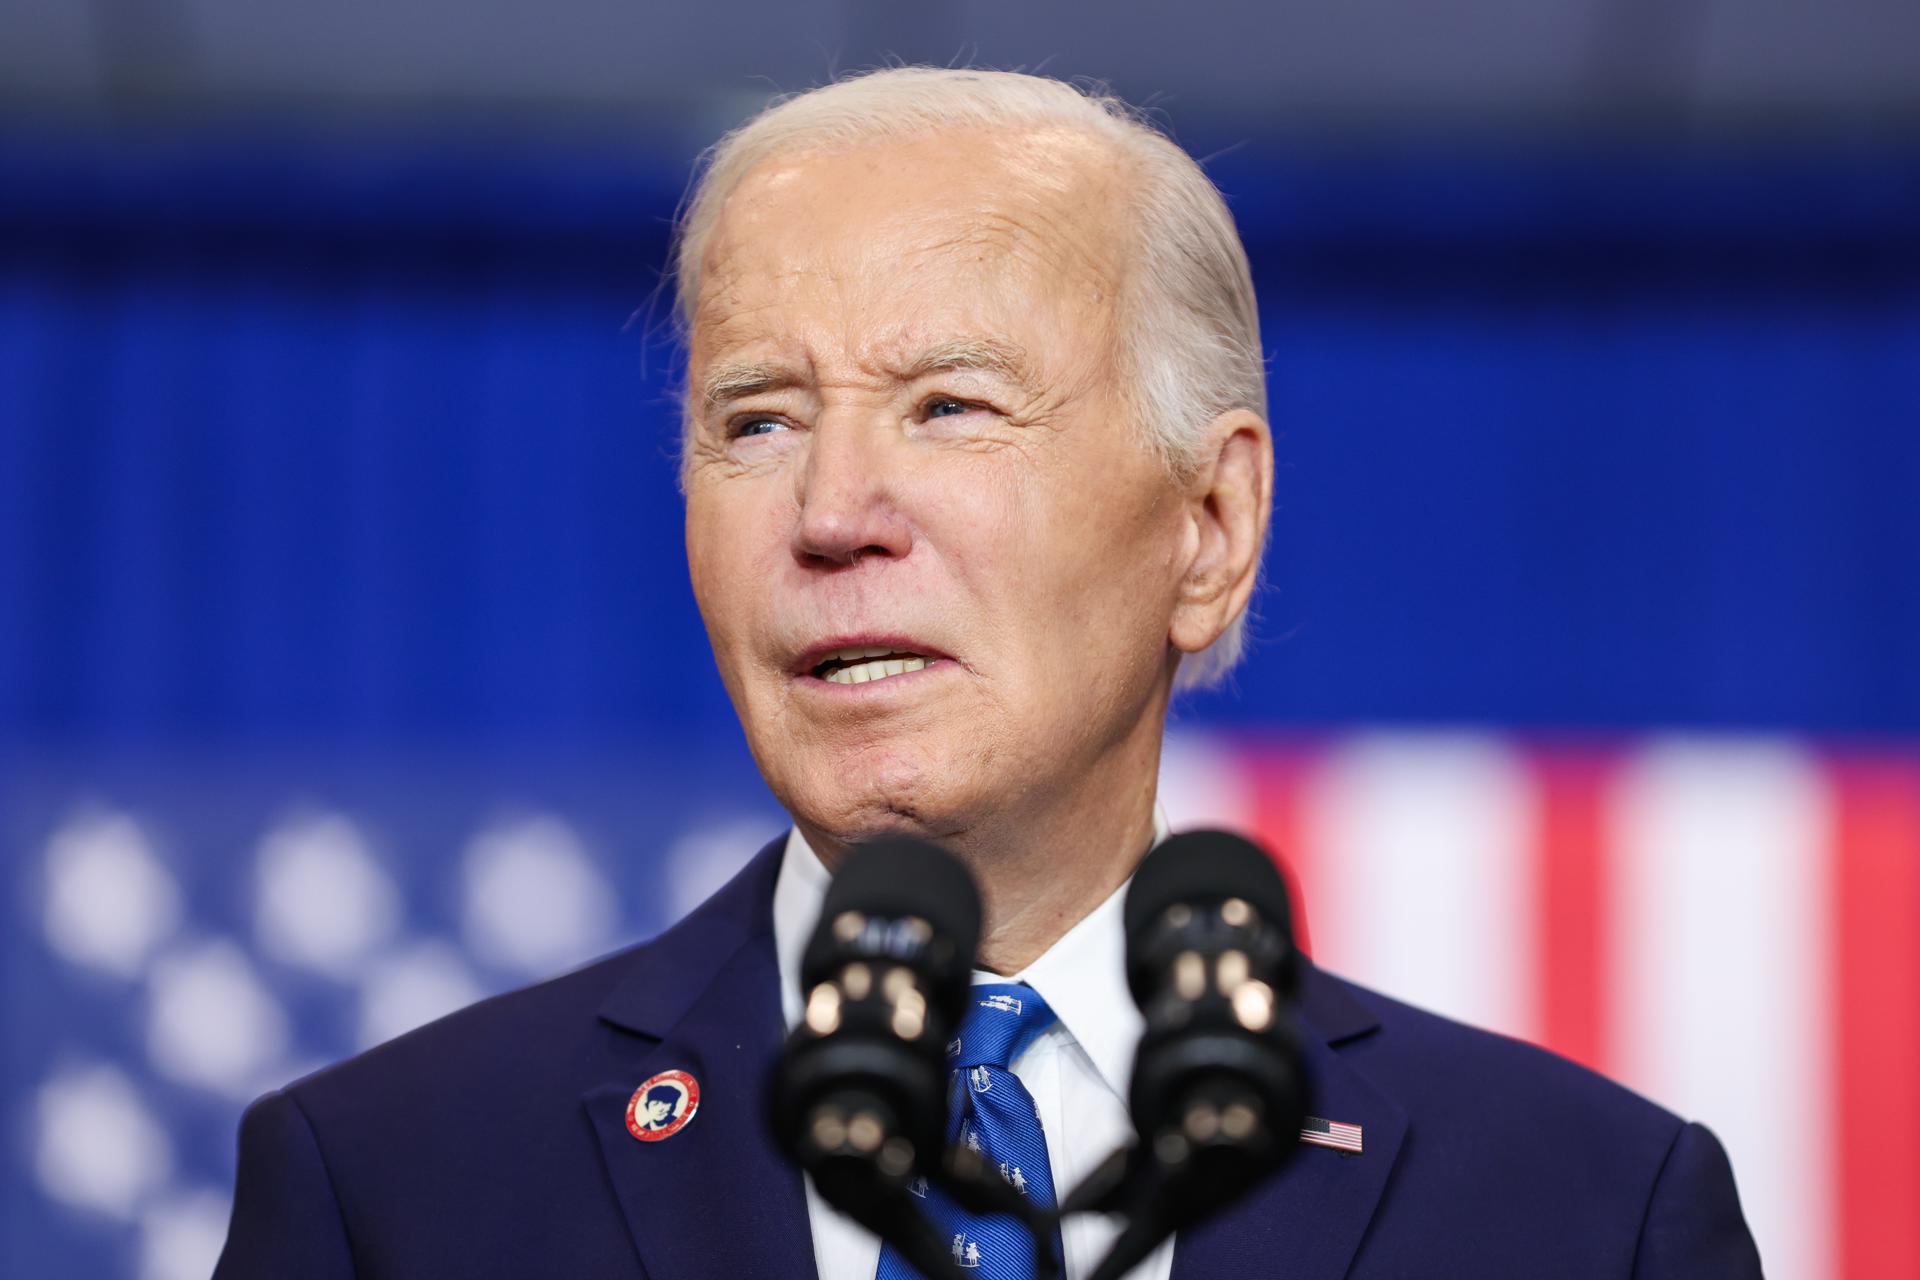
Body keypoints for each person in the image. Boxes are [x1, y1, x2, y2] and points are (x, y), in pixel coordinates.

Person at [215, 68, 1761, 1278]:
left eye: (950, 406)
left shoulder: (1582, 1217)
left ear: (1210, 526)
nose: (829, 515)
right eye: (756, 421)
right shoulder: (394, 1190)